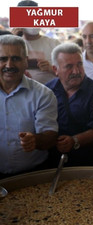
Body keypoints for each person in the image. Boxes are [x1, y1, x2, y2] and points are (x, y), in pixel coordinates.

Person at [0, 34, 58, 178]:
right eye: (3, 59)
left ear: (26, 61)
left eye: (16, 58)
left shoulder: (43, 94)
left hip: (33, 175)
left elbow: (51, 137)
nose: (9, 65)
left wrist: (35, 140)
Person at [46, 43, 93, 167]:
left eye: (79, 65)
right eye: (69, 66)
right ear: (55, 69)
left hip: (90, 160)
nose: (76, 71)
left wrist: (75, 140)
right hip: (54, 161)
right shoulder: (47, 91)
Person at [14, 0, 60, 85]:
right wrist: (12, 40)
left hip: (50, 93)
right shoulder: (13, 44)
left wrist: (51, 69)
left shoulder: (54, 44)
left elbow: (67, 73)